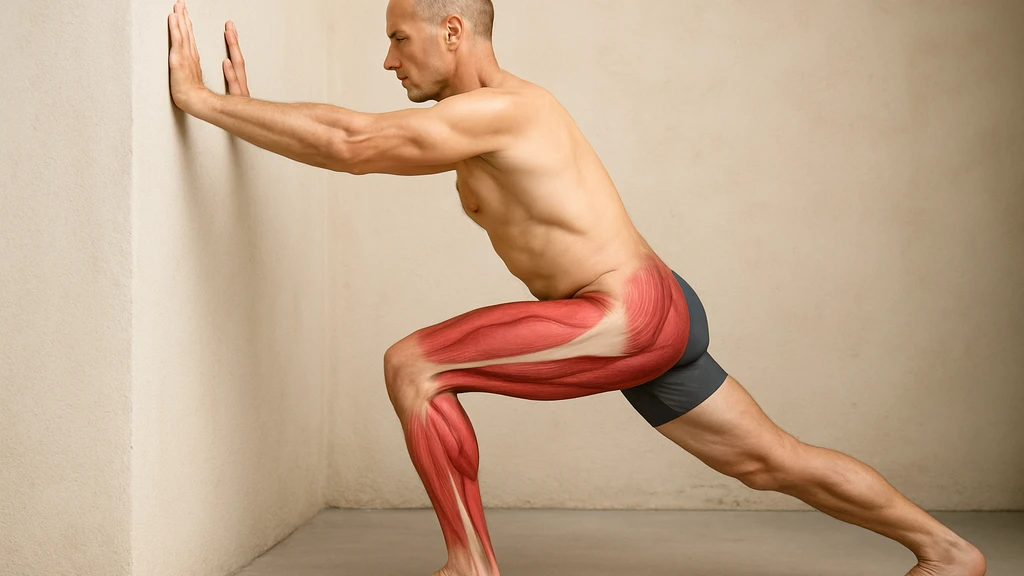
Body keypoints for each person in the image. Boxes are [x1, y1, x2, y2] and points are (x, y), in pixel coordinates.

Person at [166, 1, 987, 575]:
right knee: (771, 462)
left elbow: (353, 141)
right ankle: (948, 551)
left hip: (624, 315)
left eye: (398, 38)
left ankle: (470, 564)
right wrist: (255, 114)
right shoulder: (476, 117)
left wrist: (202, 101)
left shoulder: (506, 111)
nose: (387, 59)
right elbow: (355, 140)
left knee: (416, 367)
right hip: (648, 306)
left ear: (453, 31)